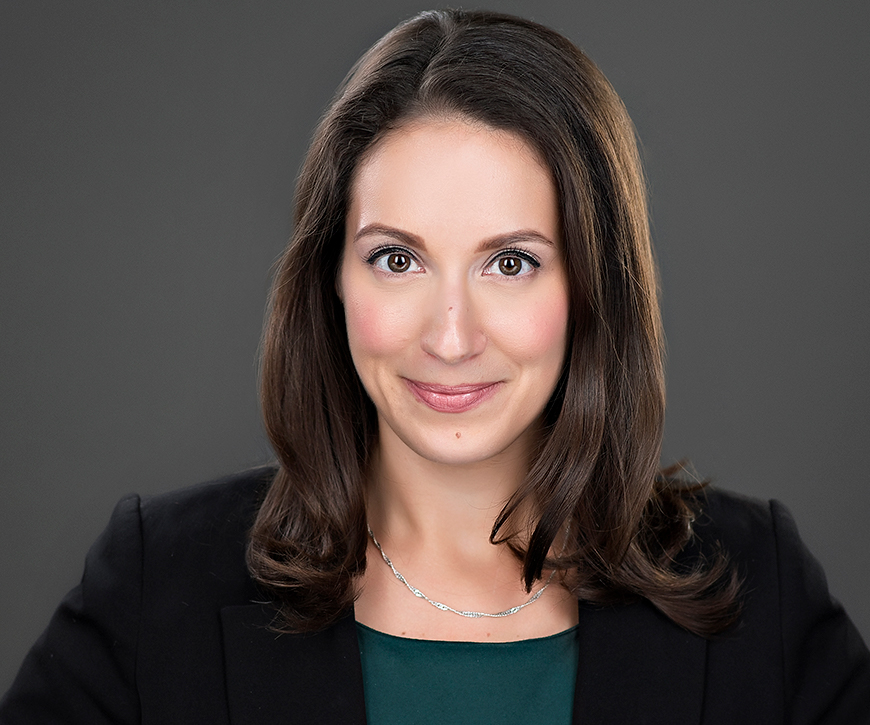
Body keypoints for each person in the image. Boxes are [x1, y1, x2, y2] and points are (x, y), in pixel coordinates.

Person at [1, 9, 868, 724]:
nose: (451, 338)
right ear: (331, 278)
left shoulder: (762, 587)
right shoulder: (158, 584)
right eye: (398, 259)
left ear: (592, 286)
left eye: (511, 262)